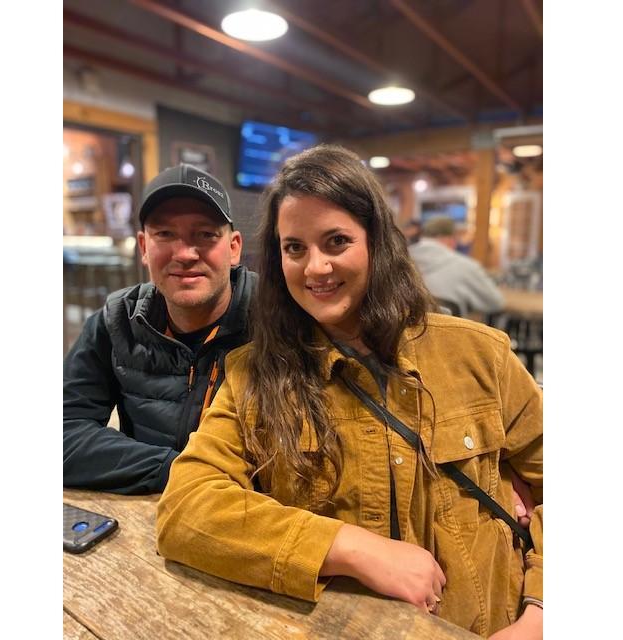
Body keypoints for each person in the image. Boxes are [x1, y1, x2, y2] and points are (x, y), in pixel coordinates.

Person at [155, 145, 542, 638]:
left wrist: (539, 617)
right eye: (295, 248)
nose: (315, 267)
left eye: (336, 241)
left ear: (377, 243)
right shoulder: (255, 375)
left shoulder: (479, 355)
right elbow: (186, 509)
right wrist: (349, 547)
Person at [63, 163, 256, 494]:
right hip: (152, 508)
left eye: (205, 234)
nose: (184, 254)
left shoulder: (275, 322)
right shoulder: (116, 321)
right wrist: (179, 471)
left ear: (234, 247)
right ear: (143, 247)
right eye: (165, 234)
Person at [409, 215, 504, 317]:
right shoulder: (466, 266)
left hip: (409, 326)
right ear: (451, 239)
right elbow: (496, 302)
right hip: (451, 326)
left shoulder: (403, 259)